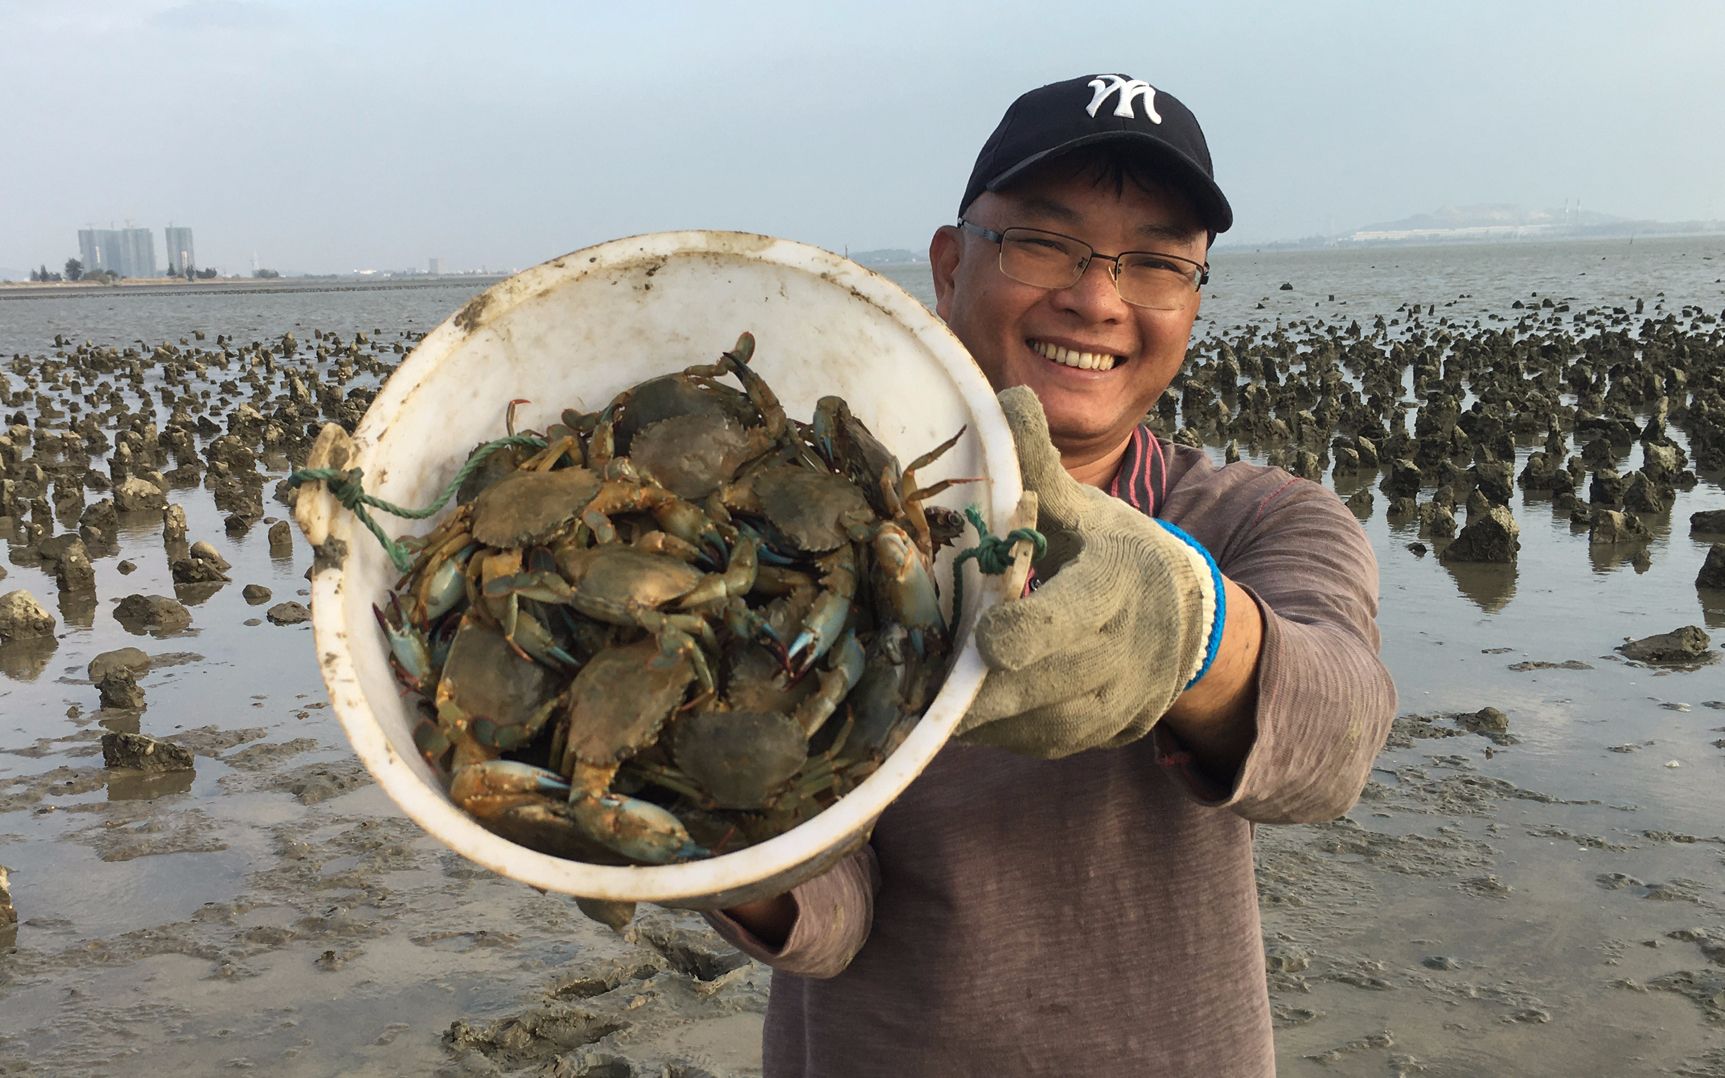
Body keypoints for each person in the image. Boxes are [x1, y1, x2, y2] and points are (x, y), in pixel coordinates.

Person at [705, 73, 1396, 1076]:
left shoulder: (1259, 517)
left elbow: (1334, 743)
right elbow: (831, 916)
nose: (1097, 298)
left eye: (1155, 262)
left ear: (1192, 303)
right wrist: (711, 839)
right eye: (1042, 242)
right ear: (950, 267)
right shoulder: (809, 537)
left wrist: (1194, 628)